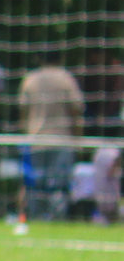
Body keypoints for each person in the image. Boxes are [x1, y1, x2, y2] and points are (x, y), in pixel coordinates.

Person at [19, 60, 85, 220]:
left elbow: (23, 111)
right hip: (61, 140)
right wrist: (78, 138)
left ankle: (36, 220)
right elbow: (77, 109)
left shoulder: (30, 78)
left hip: (36, 140)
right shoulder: (66, 78)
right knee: (59, 186)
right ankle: (57, 220)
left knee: (36, 186)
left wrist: (25, 135)